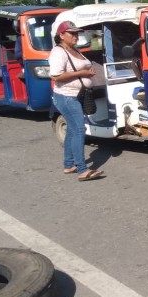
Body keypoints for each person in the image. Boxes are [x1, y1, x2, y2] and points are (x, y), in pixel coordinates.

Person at [49, 21, 105, 181]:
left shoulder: (74, 49)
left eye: (77, 33)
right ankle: (82, 169)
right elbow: (56, 75)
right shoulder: (58, 52)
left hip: (77, 94)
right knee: (79, 129)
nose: (76, 36)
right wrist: (83, 73)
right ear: (61, 35)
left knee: (73, 130)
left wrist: (86, 72)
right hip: (66, 96)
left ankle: (68, 165)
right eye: (71, 33)